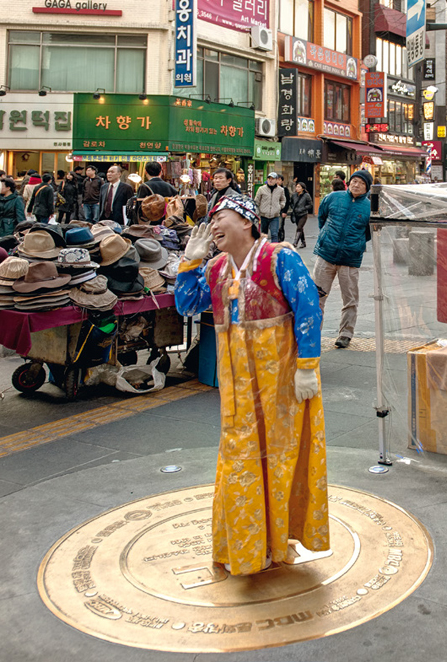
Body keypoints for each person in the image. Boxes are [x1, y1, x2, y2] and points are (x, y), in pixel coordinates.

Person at [174, 192, 329, 576]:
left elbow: (308, 306)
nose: (212, 224)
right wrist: (190, 261)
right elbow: (186, 305)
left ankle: (278, 542)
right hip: (238, 390)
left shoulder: (279, 258)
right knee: (240, 458)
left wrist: (307, 365)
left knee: (282, 456)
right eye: (209, 218)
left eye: (219, 215)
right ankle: (247, 545)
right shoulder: (214, 269)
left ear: (246, 221)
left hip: (280, 384)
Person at [313, 169, 373, 349]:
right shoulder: (333, 197)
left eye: (361, 183)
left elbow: (368, 233)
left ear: (367, 188)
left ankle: (346, 333)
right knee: (316, 297)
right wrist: (327, 236)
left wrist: (355, 244)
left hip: (350, 259)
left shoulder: (369, 206)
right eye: (354, 181)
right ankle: (314, 331)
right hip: (326, 255)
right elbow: (322, 217)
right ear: (349, 182)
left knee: (350, 298)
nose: (356, 185)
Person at [254, 171, 286, 242]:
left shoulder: (280, 190)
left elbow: (283, 200)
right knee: (263, 234)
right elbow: (257, 201)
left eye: (272, 179)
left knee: (274, 234)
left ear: (276, 180)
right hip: (263, 215)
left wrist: (280, 207)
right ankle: (264, 249)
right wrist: (258, 211)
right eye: (269, 178)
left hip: (275, 215)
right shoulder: (261, 189)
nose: (270, 180)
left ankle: (273, 250)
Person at [289, 182, 313, 248]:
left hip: (303, 214)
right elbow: (291, 203)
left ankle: (295, 242)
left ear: (302, 188)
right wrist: (293, 208)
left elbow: (310, 204)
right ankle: (303, 242)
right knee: (300, 229)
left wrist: (303, 208)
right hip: (296, 214)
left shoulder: (306, 195)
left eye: (299, 187)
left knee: (299, 227)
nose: (297, 188)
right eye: (296, 187)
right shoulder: (294, 195)